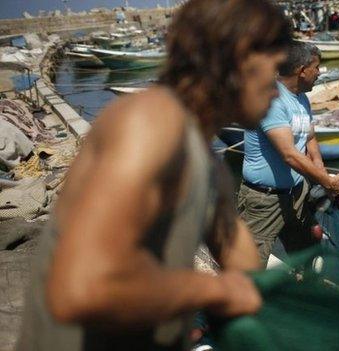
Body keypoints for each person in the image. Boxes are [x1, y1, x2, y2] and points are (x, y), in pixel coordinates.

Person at [17, 1, 291, 350]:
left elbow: (243, 267)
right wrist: (215, 289)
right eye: (276, 68)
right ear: (240, 57)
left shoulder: (208, 164)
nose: (278, 88)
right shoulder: (149, 124)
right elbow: (82, 287)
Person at [238, 41, 339, 268]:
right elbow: (288, 153)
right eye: (316, 67)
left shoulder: (301, 97)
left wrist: (320, 170)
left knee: (308, 255)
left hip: (296, 194)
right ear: (301, 70)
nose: (319, 72)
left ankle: (304, 291)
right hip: (265, 200)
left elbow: (310, 137)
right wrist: (325, 181)